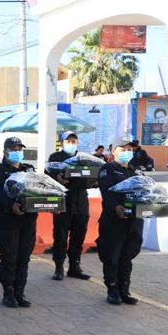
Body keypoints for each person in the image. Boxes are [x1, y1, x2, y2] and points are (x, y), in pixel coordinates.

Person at [0, 137, 37, 308]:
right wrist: (11, 205)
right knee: (10, 257)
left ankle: (20, 292)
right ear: (5, 152)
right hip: (8, 220)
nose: (17, 152)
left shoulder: (28, 169)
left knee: (24, 258)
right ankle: (8, 292)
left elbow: (38, 187)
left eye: (19, 149)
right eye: (13, 149)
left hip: (28, 220)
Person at [97, 134, 144, 305]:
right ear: (113, 151)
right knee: (112, 256)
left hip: (134, 221)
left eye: (129, 149)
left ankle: (124, 290)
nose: (127, 152)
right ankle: (112, 290)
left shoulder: (136, 171)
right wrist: (115, 207)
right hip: (114, 221)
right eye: (123, 149)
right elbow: (107, 192)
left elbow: (145, 191)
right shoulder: (107, 169)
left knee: (127, 256)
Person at [46, 131, 91, 282]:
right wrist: (57, 178)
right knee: (60, 236)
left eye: (74, 140)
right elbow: (47, 176)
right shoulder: (55, 158)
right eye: (68, 141)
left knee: (79, 236)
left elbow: (91, 177)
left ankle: (74, 266)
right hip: (63, 202)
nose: (71, 143)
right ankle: (59, 267)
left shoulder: (84, 158)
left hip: (81, 202)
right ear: (62, 142)